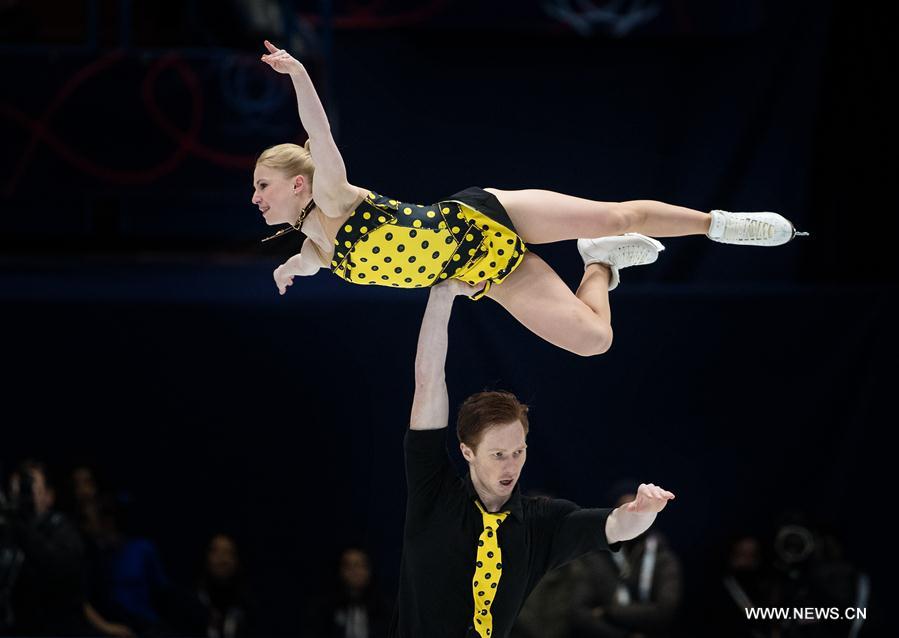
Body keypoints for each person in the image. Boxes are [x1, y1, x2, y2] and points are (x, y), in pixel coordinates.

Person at [251, 40, 805, 357]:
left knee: (618, 214)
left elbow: (318, 134)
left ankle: (722, 224)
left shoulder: (333, 198)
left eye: (261, 185)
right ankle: (601, 262)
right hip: (490, 274)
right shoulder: (319, 244)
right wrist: (288, 271)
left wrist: (299, 72)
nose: (255, 197)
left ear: (298, 183)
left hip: (486, 215)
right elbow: (309, 260)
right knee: (593, 342)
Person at [390, 278, 675, 638]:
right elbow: (428, 382)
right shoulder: (433, 492)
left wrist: (644, 512)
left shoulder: (542, 524)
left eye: (518, 451)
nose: (511, 465)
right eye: (497, 454)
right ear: (467, 452)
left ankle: (598, 266)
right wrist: (442, 296)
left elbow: (617, 527)